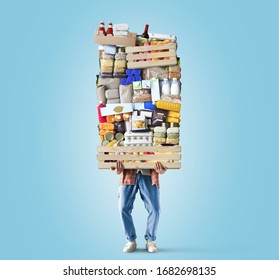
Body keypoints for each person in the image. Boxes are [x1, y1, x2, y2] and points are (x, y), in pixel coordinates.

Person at [111, 161, 167, 253]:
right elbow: (115, 157)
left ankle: (150, 240)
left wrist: (163, 169)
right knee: (123, 208)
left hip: (149, 173)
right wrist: (115, 169)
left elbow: (161, 154)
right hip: (128, 173)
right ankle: (131, 241)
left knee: (155, 209)